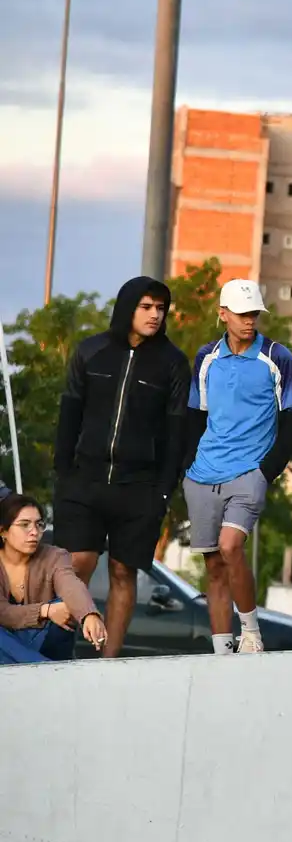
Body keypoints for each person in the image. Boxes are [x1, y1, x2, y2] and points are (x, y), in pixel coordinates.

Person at [52, 276, 190, 657]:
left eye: (161, 309)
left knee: (122, 571)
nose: (155, 315)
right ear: (128, 307)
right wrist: (63, 474)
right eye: (146, 307)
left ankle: (108, 661)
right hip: (85, 479)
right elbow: (69, 416)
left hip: (140, 486)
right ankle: (56, 647)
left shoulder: (174, 364)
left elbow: (177, 432)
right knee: (75, 563)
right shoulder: (91, 352)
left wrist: (164, 490)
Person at [182, 279, 292, 655]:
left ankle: (251, 632)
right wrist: (187, 464)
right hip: (202, 474)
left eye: (254, 314)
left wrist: (267, 470)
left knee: (230, 547)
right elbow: (194, 416)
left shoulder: (277, 356)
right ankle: (222, 651)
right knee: (214, 567)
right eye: (241, 314)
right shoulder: (206, 357)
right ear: (223, 314)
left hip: (249, 473)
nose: (249, 321)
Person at [0, 494, 107, 664]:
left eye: (39, 524)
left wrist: (89, 614)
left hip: (42, 641)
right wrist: (45, 610)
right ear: (3, 531)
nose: (34, 532)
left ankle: (35, 666)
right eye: (24, 525)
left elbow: (70, 585)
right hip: (4, 645)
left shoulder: (54, 556)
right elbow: (2, 613)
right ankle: (44, 668)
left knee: (66, 605)